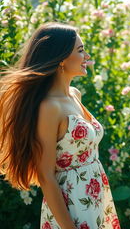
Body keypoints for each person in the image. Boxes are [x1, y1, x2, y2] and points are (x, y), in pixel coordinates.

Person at [0, 22, 120, 229]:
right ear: (61, 58)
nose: (87, 57)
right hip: (71, 205)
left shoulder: (74, 95)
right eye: (81, 51)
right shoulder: (49, 107)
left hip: (96, 197)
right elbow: (46, 175)